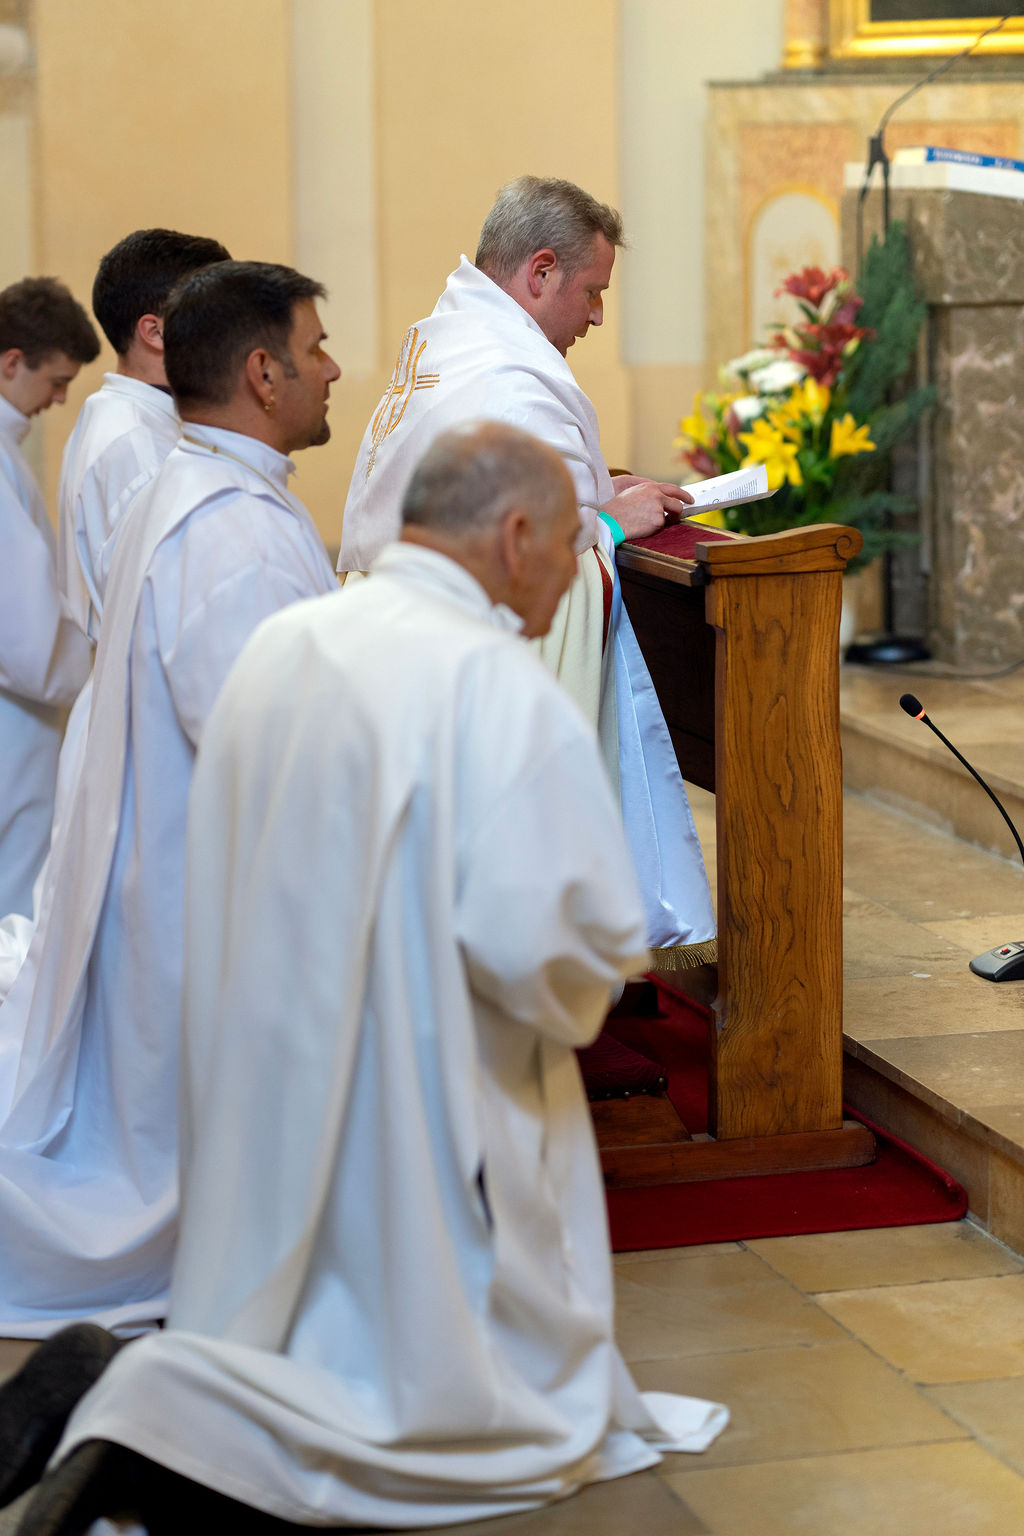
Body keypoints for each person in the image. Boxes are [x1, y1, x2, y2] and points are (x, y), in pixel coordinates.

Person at [12, 422, 727, 1534]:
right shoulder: (495, 684)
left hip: (267, 1076)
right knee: (448, 1407)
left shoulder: (290, 642)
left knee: (288, 1316)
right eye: (567, 548)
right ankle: (147, 1423)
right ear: (515, 535)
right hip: (427, 1095)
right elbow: (553, 951)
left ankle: (145, 1404)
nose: (569, 579)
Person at [0, 260, 340, 1338]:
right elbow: (262, 742)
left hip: (163, 848)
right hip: (202, 871)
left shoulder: (200, 488)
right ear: (263, 373)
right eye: (316, 347)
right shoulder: (231, 530)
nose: (334, 369)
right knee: (170, 1130)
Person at [340, 175, 715, 973]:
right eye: (592, 292)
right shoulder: (507, 378)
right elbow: (519, 561)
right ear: (540, 272)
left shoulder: (451, 339)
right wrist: (605, 525)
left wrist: (593, 494)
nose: (597, 316)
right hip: (447, 664)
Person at [0, 230, 231, 1002]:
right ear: (154, 329)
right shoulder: (131, 440)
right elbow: (154, 607)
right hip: (93, 711)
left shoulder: (145, 428)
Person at [0, 277, 97, 919]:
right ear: (12, 362)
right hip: (15, 717)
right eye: (56, 381)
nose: (59, 399)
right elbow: (24, 630)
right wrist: (95, 671)